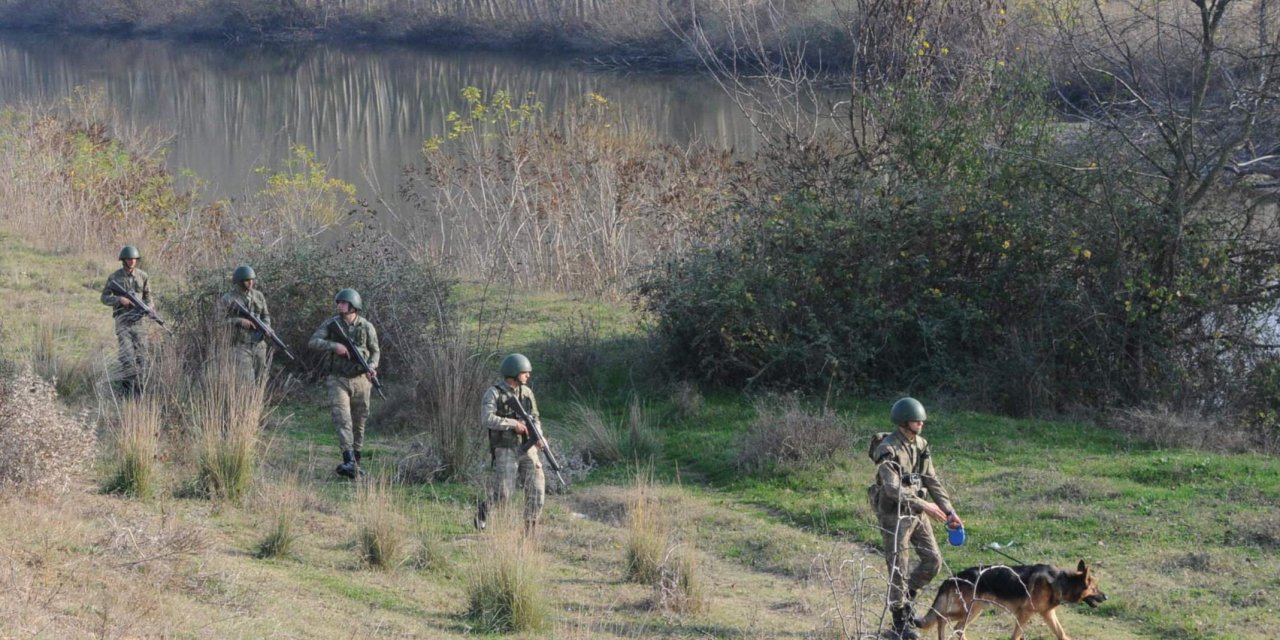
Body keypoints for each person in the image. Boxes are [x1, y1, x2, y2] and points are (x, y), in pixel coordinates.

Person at [870, 397, 964, 640]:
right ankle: (899, 623)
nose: (921, 423)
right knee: (898, 569)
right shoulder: (887, 448)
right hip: (895, 515)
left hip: (917, 513)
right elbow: (892, 489)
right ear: (903, 422)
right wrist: (926, 506)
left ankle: (906, 600)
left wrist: (949, 510)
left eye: (921, 419)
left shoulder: (921, 444)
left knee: (933, 561)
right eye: (916, 419)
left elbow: (931, 480)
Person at [308, 288, 380, 479]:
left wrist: (372, 366)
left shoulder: (366, 327)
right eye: (338, 303)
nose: (339, 305)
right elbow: (313, 341)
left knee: (359, 421)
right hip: (337, 379)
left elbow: (375, 351)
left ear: (353, 306)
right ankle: (348, 458)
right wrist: (334, 346)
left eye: (343, 303)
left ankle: (355, 463)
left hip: (361, 380)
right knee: (343, 418)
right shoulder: (332, 324)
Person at [475, 353, 547, 535]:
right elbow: (487, 418)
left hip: (528, 448)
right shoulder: (494, 393)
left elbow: (535, 417)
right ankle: (484, 511)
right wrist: (513, 424)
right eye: (525, 372)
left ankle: (530, 531)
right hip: (506, 449)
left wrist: (539, 435)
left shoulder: (527, 393)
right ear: (514, 372)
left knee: (537, 489)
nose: (528, 376)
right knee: (503, 494)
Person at [100, 245, 152, 394]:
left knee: (142, 357)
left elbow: (149, 298)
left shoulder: (143, 276)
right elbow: (104, 297)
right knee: (127, 357)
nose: (132, 261)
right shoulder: (115, 277)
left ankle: (140, 390)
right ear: (123, 260)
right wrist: (118, 299)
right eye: (129, 259)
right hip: (123, 321)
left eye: (134, 259)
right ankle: (126, 390)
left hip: (139, 322)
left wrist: (149, 308)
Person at [219, 265, 271, 382]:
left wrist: (267, 327)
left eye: (252, 280)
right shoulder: (228, 299)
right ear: (239, 281)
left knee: (261, 379)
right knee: (246, 381)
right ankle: (245, 400)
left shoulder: (258, 296)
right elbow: (218, 322)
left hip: (259, 345)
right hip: (240, 345)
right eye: (247, 280)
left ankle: (257, 401)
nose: (250, 283)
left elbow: (265, 315)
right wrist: (238, 321)